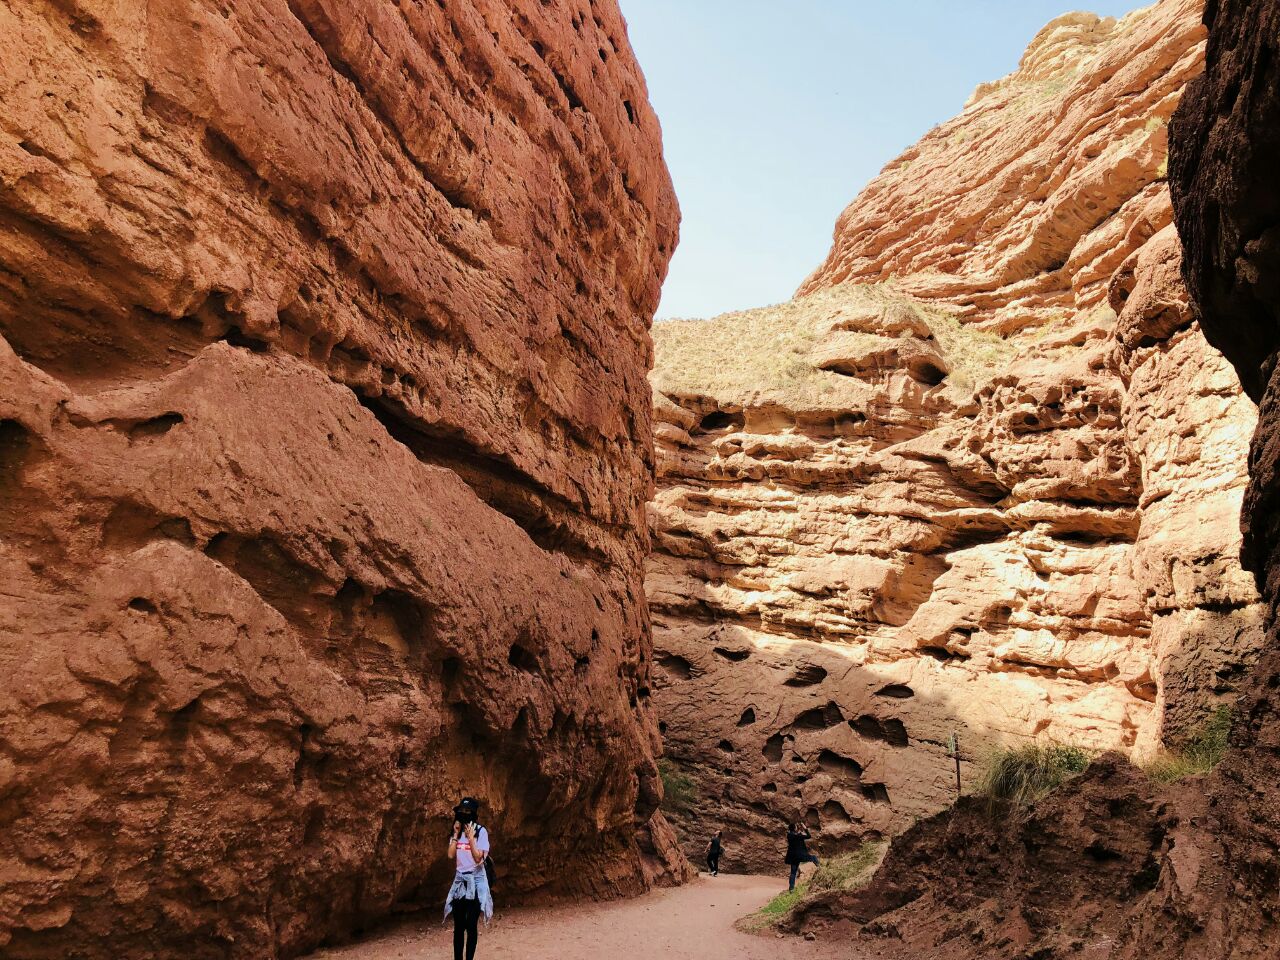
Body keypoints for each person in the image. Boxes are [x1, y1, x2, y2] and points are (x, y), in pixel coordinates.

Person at [444, 797, 492, 960]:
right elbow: (450, 855)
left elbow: (478, 858)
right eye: (461, 811)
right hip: (460, 882)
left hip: (476, 883)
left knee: (471, 925)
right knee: (458, 926)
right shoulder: (456, 831)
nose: (463, 814)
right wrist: (456, 834)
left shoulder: (481, 831)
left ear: (474, 813)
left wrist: (471, 839)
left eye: (467, 811)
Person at [784, 821, 819, 891]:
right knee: (814, 857)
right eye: (796, 827)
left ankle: (791, 888)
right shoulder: (798, 836)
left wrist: (799, 831)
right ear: (794, 829)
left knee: (793, 873)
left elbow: (795, 834)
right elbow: (809, 836)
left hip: (793, 857)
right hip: (801, 855)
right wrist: (805, 828)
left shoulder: (789, 835)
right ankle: (821, 868)